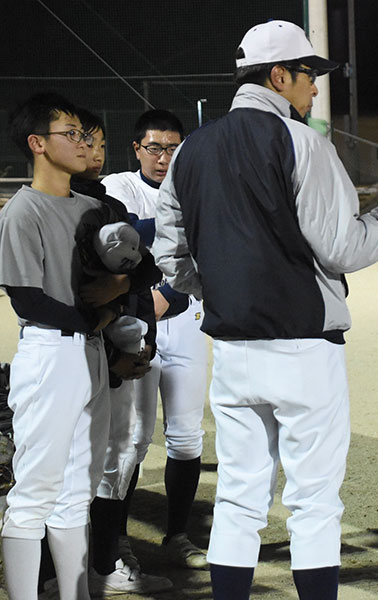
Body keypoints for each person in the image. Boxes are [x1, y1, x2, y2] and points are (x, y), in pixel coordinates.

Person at [150, 20, 378, 600]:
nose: (315, 86)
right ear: (279, 76)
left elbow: (171, 254)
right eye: (308, 74)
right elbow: (342, 248)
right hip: (302, 345)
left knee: (238, 497)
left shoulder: (191, 148)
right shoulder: (302, 142)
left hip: (233, 349)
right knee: (314, 501)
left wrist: (219, 291)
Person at [0, 93, 120, 600]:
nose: (83, 143)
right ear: (38, 144)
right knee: (34, 494)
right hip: (50, 352)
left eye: (83, 134)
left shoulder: (92, 209)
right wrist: (100, 313)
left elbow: (123, 277)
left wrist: (117, 294)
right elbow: (27, 299)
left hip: (90, 351)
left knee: (76, 495)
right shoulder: (21, 210)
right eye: (70, 134)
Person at [69, 109, 175, 595]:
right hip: (80, 349)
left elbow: (143, 271)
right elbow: (54, 295)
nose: (93, 152)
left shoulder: (103, 202)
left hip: (123, 342)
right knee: (80, 461)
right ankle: (65, 572)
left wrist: (136, 329)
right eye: (79, 140)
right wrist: (113, 341)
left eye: (97, 143)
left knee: (127, 447)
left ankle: (105, 560)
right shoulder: (56, 208)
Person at [102, 109, 209, 570]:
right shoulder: (120, 186)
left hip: (184, 321)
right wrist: (189, 230)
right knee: (132, 438)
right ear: (137, 149)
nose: (164, 158)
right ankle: (116, 539)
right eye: (154, 148)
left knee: (186, 436)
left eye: (173, 148)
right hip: (133, 324)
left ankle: (178, 536)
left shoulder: (196, 186)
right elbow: (125, 238)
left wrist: (170, 293)